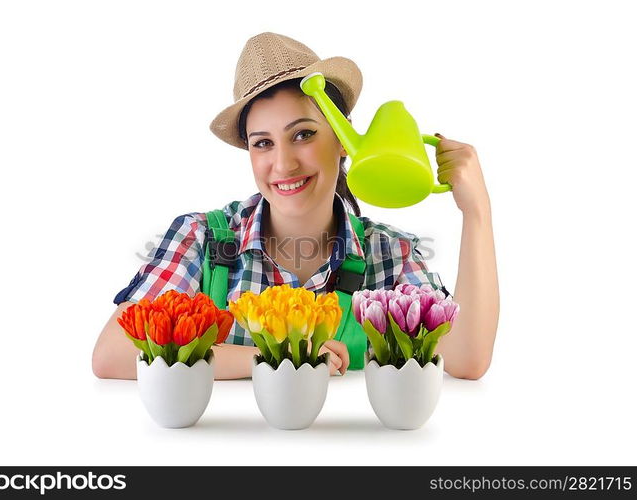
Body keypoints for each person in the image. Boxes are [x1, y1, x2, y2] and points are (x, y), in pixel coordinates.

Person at [92, 32, 499, 381]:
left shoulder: (388, 255)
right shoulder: (201, 239)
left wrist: (477, 212)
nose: (283, 164)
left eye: (303, 135)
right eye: (263, 143)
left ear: (343, 140)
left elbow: (465, 358)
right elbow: (112, 352)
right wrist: (274, 360)